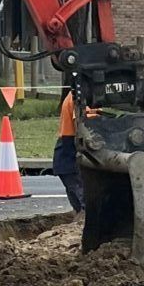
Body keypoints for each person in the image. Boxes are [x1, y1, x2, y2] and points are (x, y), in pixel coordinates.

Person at [51, 83, 84, 212]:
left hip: (67, 157)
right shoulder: (82, 95)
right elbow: (85, 126)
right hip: (71, 157)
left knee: (82, 204)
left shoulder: (78, 92)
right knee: (86, 203)